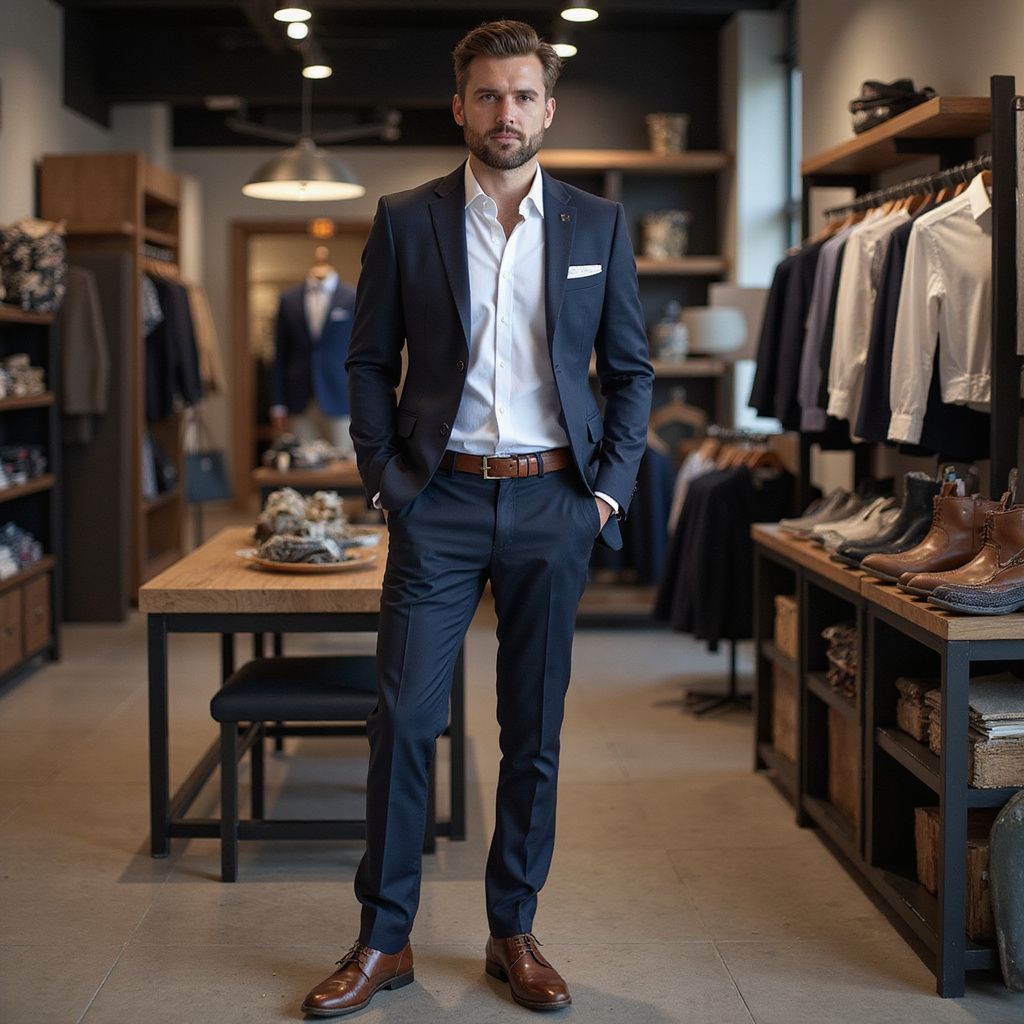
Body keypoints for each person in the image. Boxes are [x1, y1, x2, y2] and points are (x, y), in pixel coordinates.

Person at [301, 19, 653, 1017]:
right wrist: (383, 479)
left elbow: (629, 372)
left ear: (550, 107)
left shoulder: (597, 224)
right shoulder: (406, 218)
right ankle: (384, 939)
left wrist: (604, 495)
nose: (506, 113)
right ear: (460, 107)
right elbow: (367, 360)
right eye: (488, 96)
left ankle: (513, 930)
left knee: (531, 730)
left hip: (555, 502)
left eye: (523, 95)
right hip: (439, 498)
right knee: (404, 718)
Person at [269, 245, 356, 455]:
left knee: (343, 467)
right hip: (299, 398)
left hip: (340, 398)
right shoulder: (289, 300)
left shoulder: (352, 297)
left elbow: (362, 353)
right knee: (300, 466)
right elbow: (280, 355)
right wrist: (277, 404)